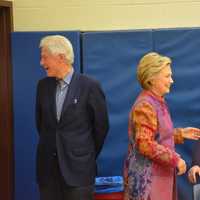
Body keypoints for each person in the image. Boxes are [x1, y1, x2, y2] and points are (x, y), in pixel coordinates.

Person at [35, 35, 109, 200]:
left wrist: (83, 154)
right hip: (48, 171)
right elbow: (41, 125)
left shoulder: (89, 86)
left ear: (61, 57)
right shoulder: (42, 86)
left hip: (79, 172)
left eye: (44, 57)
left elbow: (101, 128)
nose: (41, 63)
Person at [123, 52, 200, 200]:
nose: (171, 80)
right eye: (167, 76)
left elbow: (157, 135)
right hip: (147, 183)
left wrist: (179, 134)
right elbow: (145, 144)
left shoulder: (157, 101)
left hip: (159, 178)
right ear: (152, 78)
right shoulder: (145, 105)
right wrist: (175, 159)